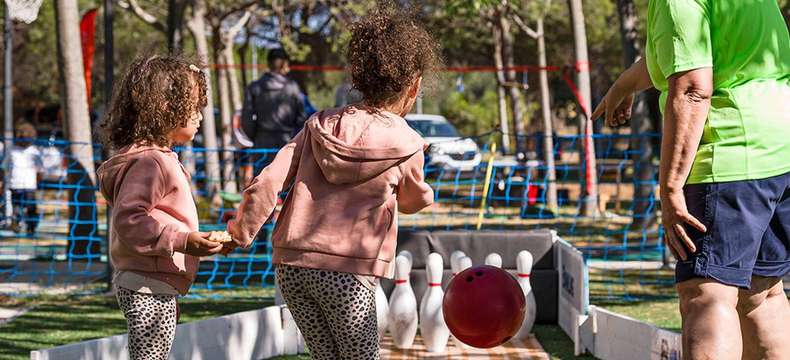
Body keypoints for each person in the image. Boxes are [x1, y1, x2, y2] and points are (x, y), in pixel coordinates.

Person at [225, 7, 440, 358]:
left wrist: (241, 232)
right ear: (413, 86)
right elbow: (412, 202)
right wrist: (424, 194)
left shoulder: (317, 126)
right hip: (349, 274)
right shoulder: (408, 144)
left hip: (292, 268)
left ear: (357, 74)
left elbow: (268, 180)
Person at [593, 1, 790, 358]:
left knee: (707, 296)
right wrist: (623, 85)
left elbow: (692, 86)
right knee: (762, 294)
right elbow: (683, 57)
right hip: (779, 150)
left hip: (730, 157)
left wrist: (670, 187)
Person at [97, 55, 225, 360]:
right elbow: (129, 219)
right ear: (167, 108)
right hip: (147, 284)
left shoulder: (157, 158)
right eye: (194, 108)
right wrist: (182, 241)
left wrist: (198, 241)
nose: (200, 117)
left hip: (153, 281)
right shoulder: (151, 161)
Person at [241, 48, 307, 174]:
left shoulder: (254, 87)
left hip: (262, 145)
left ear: (269, 63)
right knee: (287, 186)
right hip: (288, 143)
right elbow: (302, 117)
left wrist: (256, 136)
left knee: (262, 186)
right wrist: (294, 137)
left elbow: (246, 119)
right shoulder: (293, 88)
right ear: (284, 64)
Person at [8, 122, 42, 235]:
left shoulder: (35, 151)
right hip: (15, 183)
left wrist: (37, 183)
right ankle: (16, 226)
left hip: (30, 185)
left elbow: (39, 170)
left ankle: (31, 228)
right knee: (16, 207)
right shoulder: (12, 150)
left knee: (31, 208)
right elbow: (5, 168)